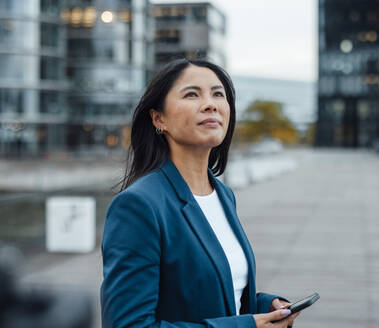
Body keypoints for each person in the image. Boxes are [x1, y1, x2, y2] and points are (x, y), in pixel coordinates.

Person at [100, 58, 300, 327]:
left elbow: (215, 290)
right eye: (192, 94)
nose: (211, 104)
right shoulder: (138, 206)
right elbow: (128, 324)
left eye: (218, 94)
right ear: (159, 118)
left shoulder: (223, 195)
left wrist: (265, 306)